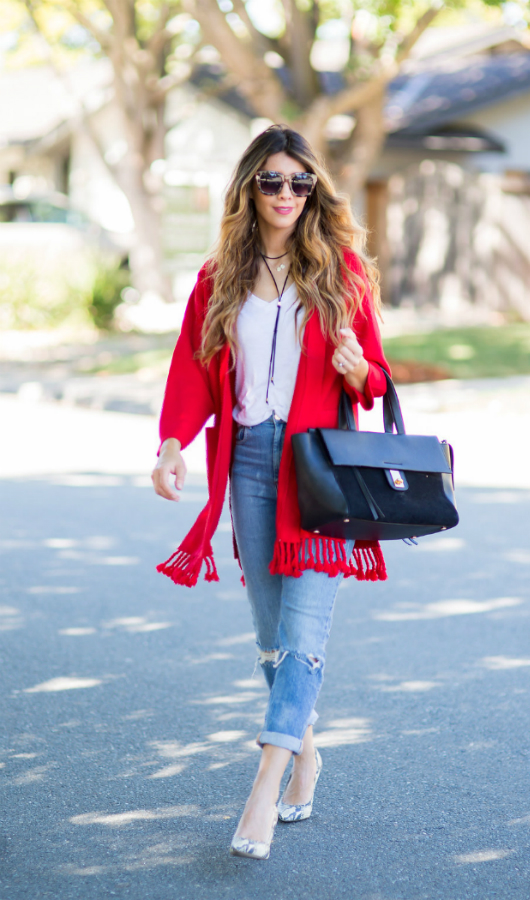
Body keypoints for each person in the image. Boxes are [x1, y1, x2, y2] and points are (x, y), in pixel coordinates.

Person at [152, 125, 390, 860]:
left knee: (303, 636)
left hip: (318, 471)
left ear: (312, 189)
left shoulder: (341, 272)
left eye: (300, 182)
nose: (287, 195)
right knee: (269, 636)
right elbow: (193, 369)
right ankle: (306, 752)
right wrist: (171, 444)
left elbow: (374, 381)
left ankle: (263, 785)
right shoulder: (220, 273)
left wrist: (353, 366)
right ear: (249, 186)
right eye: (272, 181)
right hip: (251, 464)